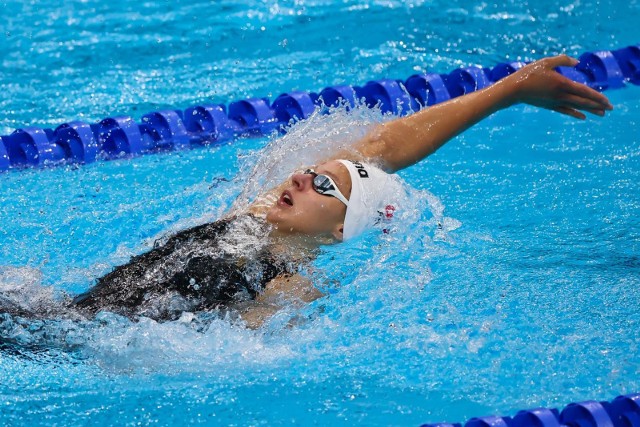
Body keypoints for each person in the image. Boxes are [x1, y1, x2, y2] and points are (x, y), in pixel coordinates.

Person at [18, 55, 615, 328]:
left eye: (325, 183)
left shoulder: (292, 286)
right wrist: (508, 90)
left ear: (340, 226)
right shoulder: (248, 215)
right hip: (51, 312)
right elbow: (383, 146)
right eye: (309, 171)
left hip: (65, 344)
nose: (302, 175)